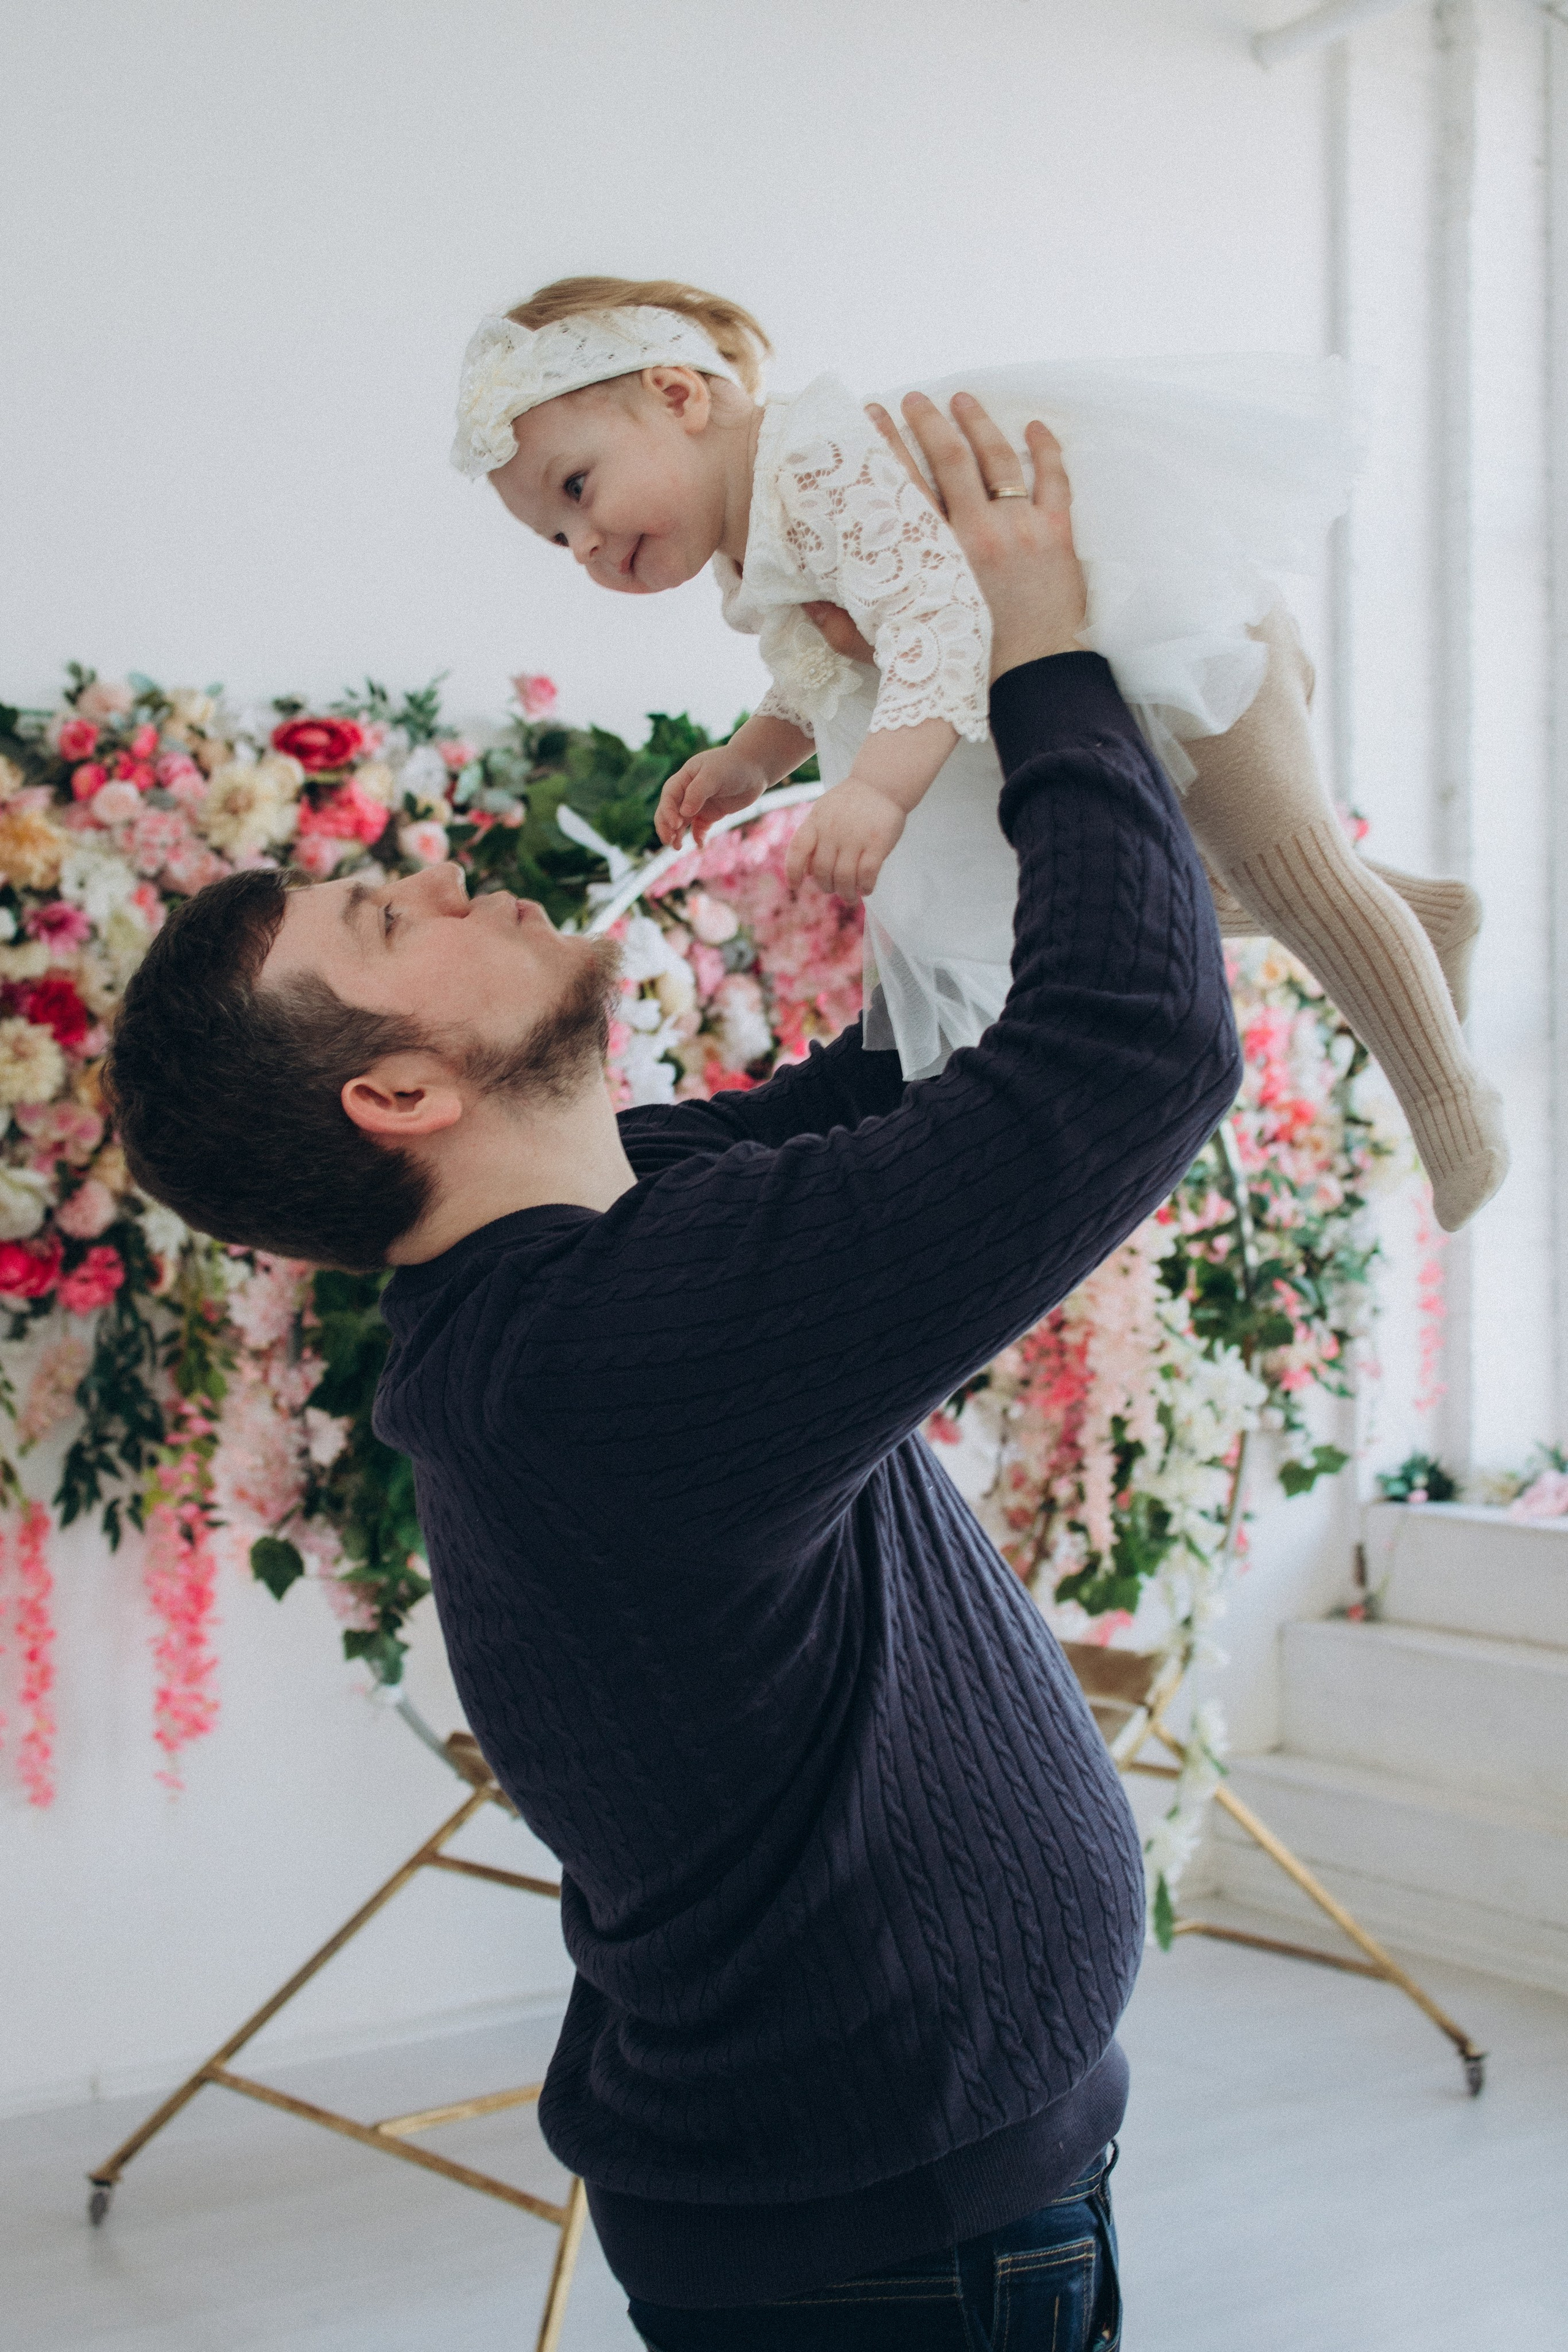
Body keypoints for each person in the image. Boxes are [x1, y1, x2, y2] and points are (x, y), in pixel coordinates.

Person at [108, 393, 1241, 2350]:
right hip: (898, 2251)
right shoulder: (616, 1349)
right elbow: (1130, 1059)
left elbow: (928, 1094)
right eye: (399, 919)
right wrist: (1046, 645)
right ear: (398, 1091)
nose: (461, 882)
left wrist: (925, 726)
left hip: (900, 2199)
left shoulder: (623, 1227)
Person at [451, 274, 1506, 1233]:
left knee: (1289, 868)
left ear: (681, 397)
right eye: (556, 539)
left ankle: (1452, 1101)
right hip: (1089, 679)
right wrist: (755, 756)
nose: (582, 547)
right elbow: (821, 661)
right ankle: (1425, 913)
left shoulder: (820, 468)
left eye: (578, 490)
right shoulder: (758, 535)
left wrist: (874, 790)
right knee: (1193, 885)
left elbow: (934, 625)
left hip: (1175, 647)